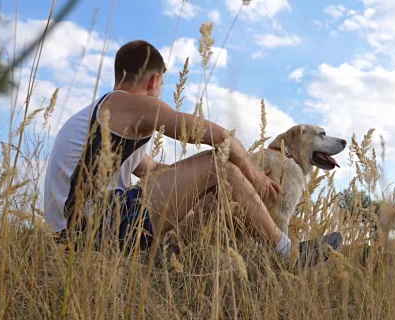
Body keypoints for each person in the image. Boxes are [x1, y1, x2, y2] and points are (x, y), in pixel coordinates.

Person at [43, 39, 342, 266]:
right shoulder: (127, 104)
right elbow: (219, 137)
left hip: (84, 228)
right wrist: (254, 176)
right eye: (161, 84)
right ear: (154, 80)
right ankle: (289, 254)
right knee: (219, 164)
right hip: (89, 226)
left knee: (207, 198)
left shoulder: (108, 116)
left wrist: (208, 186)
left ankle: (213, 262)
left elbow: (155, 170)